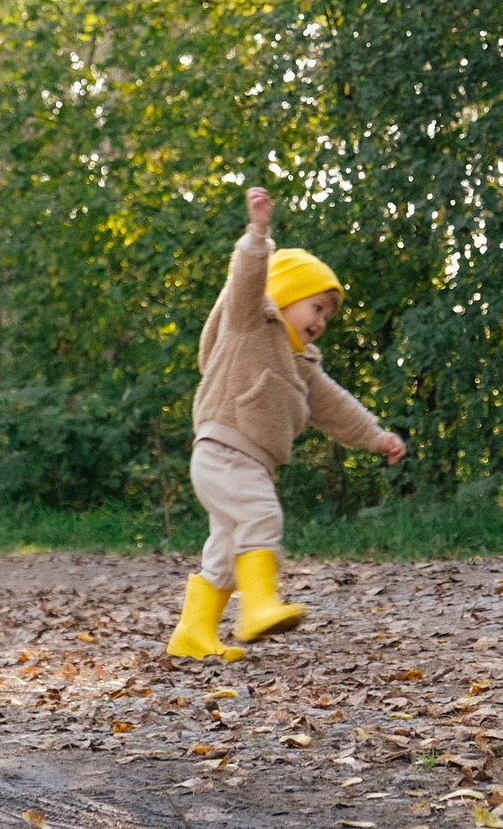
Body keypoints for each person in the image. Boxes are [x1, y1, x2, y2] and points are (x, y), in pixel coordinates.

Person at [166, 186, 408, 660]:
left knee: (224, 550)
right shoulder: (249, 325)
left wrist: (377, 437)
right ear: (286, 295)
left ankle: (193, 634)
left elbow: (335, 408)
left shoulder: (302, 365)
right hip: (222, 449)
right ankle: (258, 606)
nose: (322, 320)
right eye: (316, 307)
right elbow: (247, 285)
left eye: (328, 315)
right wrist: (258, 237)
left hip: (250, 460)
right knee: (261, 516)